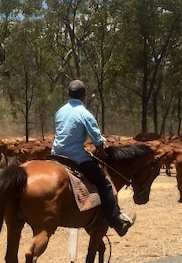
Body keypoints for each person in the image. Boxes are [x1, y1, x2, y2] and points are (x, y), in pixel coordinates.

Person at [51, 80, 134, 236]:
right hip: (75, 157)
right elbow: (97, 140)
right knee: (105, 184)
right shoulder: (85, 114)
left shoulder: (59, 111)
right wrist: (101, 152)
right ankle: (115, 221)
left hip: (55, 154)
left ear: (68, 94)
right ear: (84, 96)